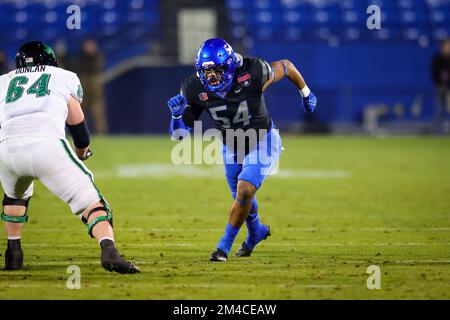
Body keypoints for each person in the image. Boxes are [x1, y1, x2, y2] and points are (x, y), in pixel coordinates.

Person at [166, 38, 317, 262]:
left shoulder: (252, 72)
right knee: (241, 198)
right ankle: (256, 232)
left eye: (217, 70)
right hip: (230, 145)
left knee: (245, 191)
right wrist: (176, 116)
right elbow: (179, 134)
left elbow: (286, 66)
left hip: (263, 139)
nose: (212, 77)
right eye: (207, 72)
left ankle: (223, 247)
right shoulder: (194, 88)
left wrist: (306, 93)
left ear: (230, 66)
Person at [0, 41, 139, 273]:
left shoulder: (4, 81)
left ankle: (13, 254)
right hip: (46, 144)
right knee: (91, 202)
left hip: (6, 150)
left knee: (14, 198)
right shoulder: (63, 76)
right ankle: (109, 252)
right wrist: (81, 154)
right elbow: (79, 130)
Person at [75, 38, 108, 134]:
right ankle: (78, 133)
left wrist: (92, 55)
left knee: (97, 110)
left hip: (94, 81)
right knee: (80, 109)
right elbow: (78, 66)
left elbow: (98, 66)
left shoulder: (97, 56)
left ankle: (101, 133)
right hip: (83, 81)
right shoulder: (80, 56)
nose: (90, 48)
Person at [431, 38, 450, 134]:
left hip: (449, 89)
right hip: (439, 88)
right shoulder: (436, 59)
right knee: (439, 110)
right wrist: (439, 82)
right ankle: (438, 132)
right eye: (446, 46)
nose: (447, 48)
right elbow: (433, 74)